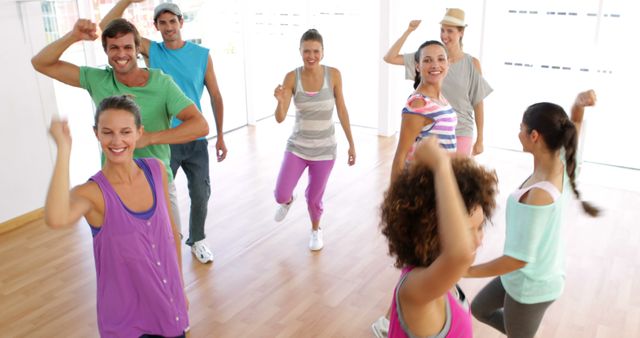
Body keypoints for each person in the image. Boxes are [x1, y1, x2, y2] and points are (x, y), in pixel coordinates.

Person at [31, 18, 209, 252]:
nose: (121, 53)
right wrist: (73, 36)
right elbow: (41, 63)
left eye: (127, 47)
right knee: (128, 255)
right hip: (116, 187)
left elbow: (200, 126)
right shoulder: (97, 79)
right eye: (114, 47)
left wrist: (149, 138)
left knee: (168, 249)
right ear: (106, 51)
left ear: (137, 50)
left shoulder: (161, 83)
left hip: (158, 183)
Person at [44, 95, 188, 337]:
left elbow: (171, 234)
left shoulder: (156, 170)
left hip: (167, 308)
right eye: (107, 132)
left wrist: (180, 288)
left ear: (139, 133)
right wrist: (63, 151)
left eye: (125, 131)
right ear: (96, 134)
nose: (117, 140)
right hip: (125, 322)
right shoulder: (92, 193)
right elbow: (56, 218)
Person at [465, 90, 600, 338]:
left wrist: (466, 270)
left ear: (534, 136)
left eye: (522, 129)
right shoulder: (564, 162)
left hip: (531, 287)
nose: (519, 134)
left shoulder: (540, 195)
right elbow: (575, 123)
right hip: (524, 276)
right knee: (480, 308)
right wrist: (578, 104)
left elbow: (518, 259)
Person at [100, 1, 226, 264]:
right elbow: (108, 27)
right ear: (156, 26)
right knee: (160, 198)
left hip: (194, 138)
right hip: (162, 141)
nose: (168, 27)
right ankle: (154, 248)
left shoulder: (202, 55)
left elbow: (215, 95)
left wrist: (221, 135)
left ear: (182, 23)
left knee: (201, 192)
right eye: (162, 23)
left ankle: (198, 239)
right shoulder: (152, 51)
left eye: (172, 21)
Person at [380, 136, 498, 337]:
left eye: (480, 228)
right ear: (429, 232)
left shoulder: (441, 279)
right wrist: (441, 166)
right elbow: (459, 254)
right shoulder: (414, 290)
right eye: (468, 230)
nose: (480, 240)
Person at [272, 28, 356, 251]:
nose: (311, 56)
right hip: (298, 147)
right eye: (306, 51)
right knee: (280, 194)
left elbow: (342, 110)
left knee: (314, 199)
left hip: (325, 150)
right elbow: (280, 118)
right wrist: (280, 102)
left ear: (323, 52)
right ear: (300, 51)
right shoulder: (292, 77)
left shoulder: (334, 75)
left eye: (316, 51)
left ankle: (315, 230)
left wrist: (351, 144)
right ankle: (289, 201)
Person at [383, 8, 492, 156]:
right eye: (442, 30)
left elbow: (478, 102)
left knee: (454, 177)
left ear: (461, 33)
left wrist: (480, 139)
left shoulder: (471, 63)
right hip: (430, 129)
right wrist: (409, 30)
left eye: (450, 31)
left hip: (461, 131)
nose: (444, 36)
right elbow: (390, 57)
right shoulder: (430, 59)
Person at [390, 40, 457, 183]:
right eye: (427, 60)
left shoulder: (440, 98)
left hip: (442, 180)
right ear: (417, 66)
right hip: (424, 185)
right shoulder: (419, 103)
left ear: (448, 63)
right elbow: (401, 155)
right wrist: (393, 198)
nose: (435, 65)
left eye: (440, 59)